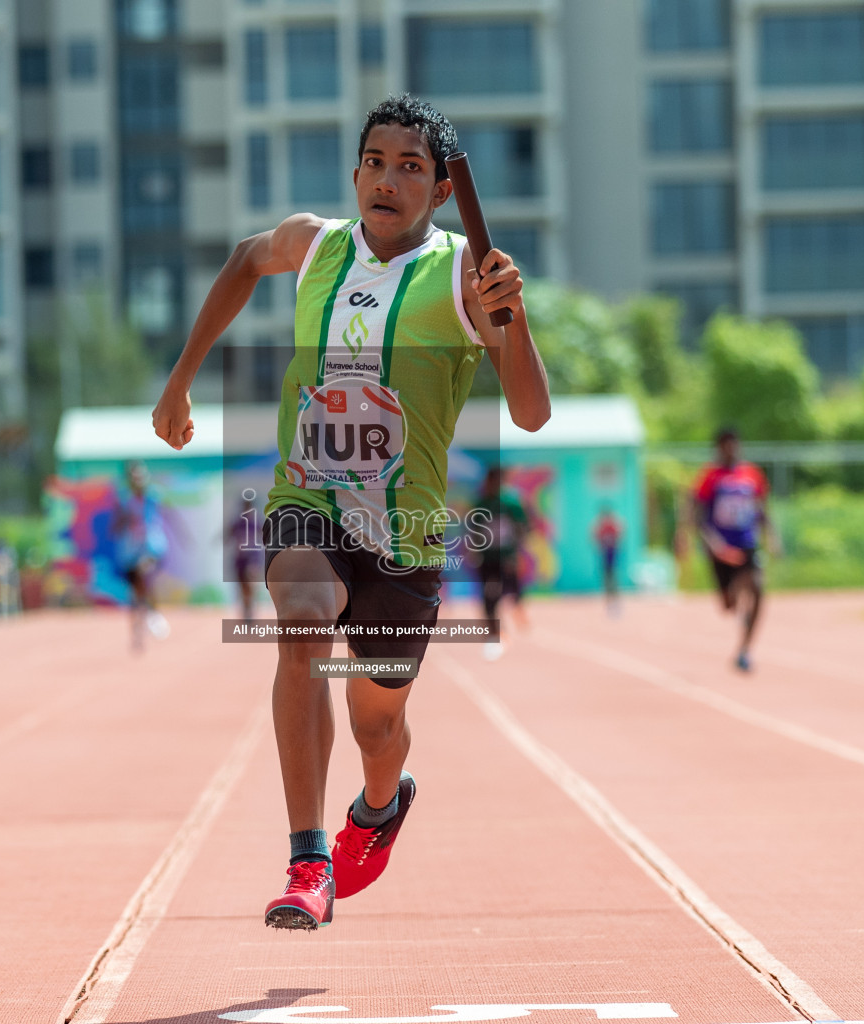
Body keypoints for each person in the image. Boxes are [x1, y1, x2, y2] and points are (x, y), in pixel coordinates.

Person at [152, 95, 550, 930]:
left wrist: (511, 320)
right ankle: (306, 860)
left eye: (411, 167)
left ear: (442, 191)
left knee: (379, 725)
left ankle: (379, 805)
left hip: (405, 535)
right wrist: (183, 376)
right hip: (310, 500)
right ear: (356, 171)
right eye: (376, 161)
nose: (388, 179)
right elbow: (241, 259)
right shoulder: (315, 245)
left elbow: (532, 413)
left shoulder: (462, 273)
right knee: (300, 621)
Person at [692, 428, 776, 672]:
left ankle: (745, 650)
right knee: (728, 605)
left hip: (746, 542)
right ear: (718, 447)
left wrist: (771, 536)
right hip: (721, 548)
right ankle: (736, 594)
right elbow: (698, 515)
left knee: (758, 588)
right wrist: (712, 542)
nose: (731, 449)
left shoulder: (752, 474)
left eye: (734, 444)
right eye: (726, 445)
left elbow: (762, 508)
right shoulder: (709, 476)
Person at [469, 466, 530, 660]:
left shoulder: (511, 503)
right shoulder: (481, 504)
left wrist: (516, 552)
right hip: (487, 557)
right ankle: (493, 631)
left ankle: (518, 618)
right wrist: (474, 551)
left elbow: (522, 527)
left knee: (513, 590)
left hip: (506, 557)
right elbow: (474, 530)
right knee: (489, 595)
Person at [113, 462, 170, 649]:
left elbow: (165, 517)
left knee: (144, 572)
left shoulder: (153, 497)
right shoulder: (124, 501)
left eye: (140, 476)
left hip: (151, 548)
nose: (137, 481)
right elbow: (116, 526)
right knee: (135, 594)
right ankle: (137, 630)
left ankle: (153, 611)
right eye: (133, 477)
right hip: (130, 551)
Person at [228, 494, 263, 622]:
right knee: (242, 587)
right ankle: (246, 610)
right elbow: (228, 535)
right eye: (245, 505)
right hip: (240, 559)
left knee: (250, 584)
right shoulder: (238, 522)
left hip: (253, 558)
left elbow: (265, 536)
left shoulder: (256, 522)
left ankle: (250, 610)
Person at [592, 505, 624, 616]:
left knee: (613, 577)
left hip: (612, 554)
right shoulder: (602, 526)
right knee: (606, 577)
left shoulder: (613, 526)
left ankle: (614, 599)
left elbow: (620, 536)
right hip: (605, 555)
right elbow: (594, 536)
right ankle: (608, 600)